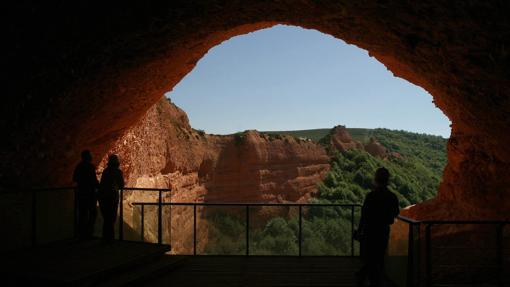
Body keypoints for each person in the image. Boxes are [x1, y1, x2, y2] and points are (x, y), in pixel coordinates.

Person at [355, 167, 400, 287]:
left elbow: (364, 215)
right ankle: (372, 279)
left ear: (376, 179)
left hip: (369, 231)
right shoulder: (392, 197)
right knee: (379, 258)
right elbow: (395, 214)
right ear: (388, 180)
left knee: (370, 258)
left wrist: (360, 231)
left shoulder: (371, 196)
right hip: (383, 232)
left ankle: (364, 276)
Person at [72, 150, 99, 239]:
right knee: (93, 213)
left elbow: (75, 179)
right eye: (90, 155)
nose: (92, 157)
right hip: (90, 194)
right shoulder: (90, 167)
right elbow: (94, 180)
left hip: (81, 193)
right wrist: (99, 186)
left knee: (82, 214)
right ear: (88, 157)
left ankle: (80, 234)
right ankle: (88, 233)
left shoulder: (79, 166)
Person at [98, 154, 124, 242]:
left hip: (103, 197)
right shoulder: (117, 172)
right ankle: (110, 239)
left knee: (106, 219)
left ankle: (106, 238)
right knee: (111, 218)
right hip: (112, 197)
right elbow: (121, 185)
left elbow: (102, 184)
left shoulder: (105, 171)